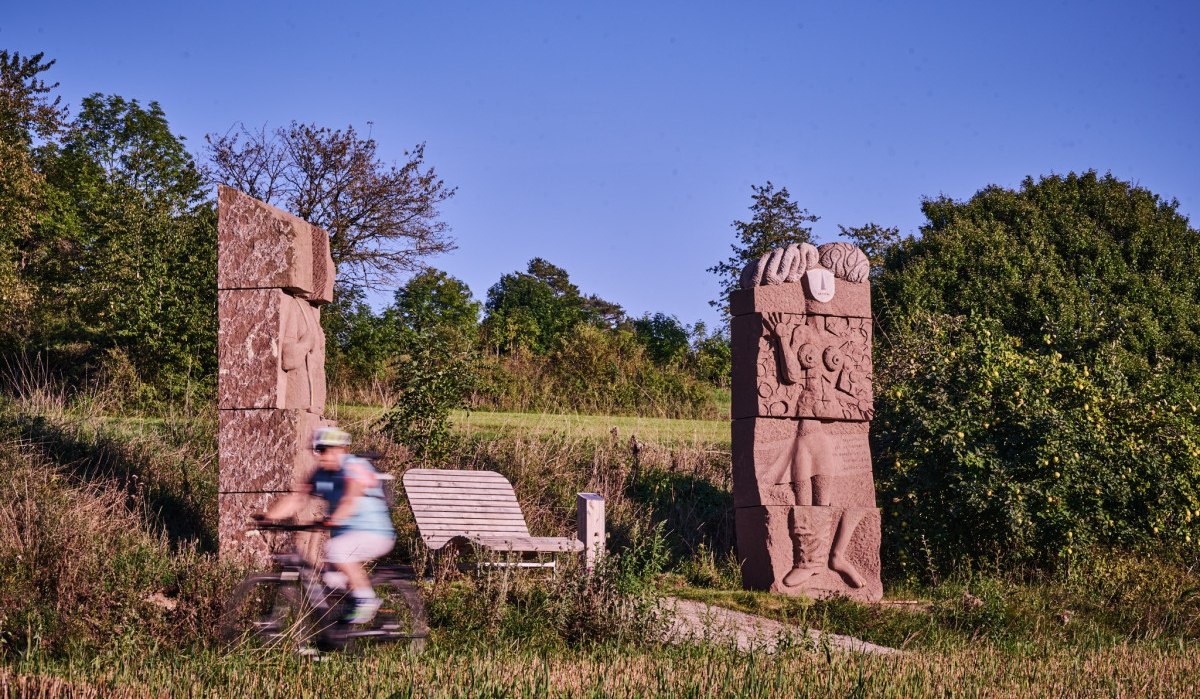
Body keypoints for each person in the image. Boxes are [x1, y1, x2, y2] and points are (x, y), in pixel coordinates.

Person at [262, 426, 395, 624]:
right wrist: (268, 518)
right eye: (318, 450)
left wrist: (331, 519)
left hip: (374, 532)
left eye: (326, 449)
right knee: (330, 583)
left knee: (336, 550)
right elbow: (297, 499)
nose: (321, 455)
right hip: (347, 536)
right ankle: (335, 635)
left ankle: (367, 600)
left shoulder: (354, 466)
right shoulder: (320, 473)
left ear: (341, 449)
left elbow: (350, 498)